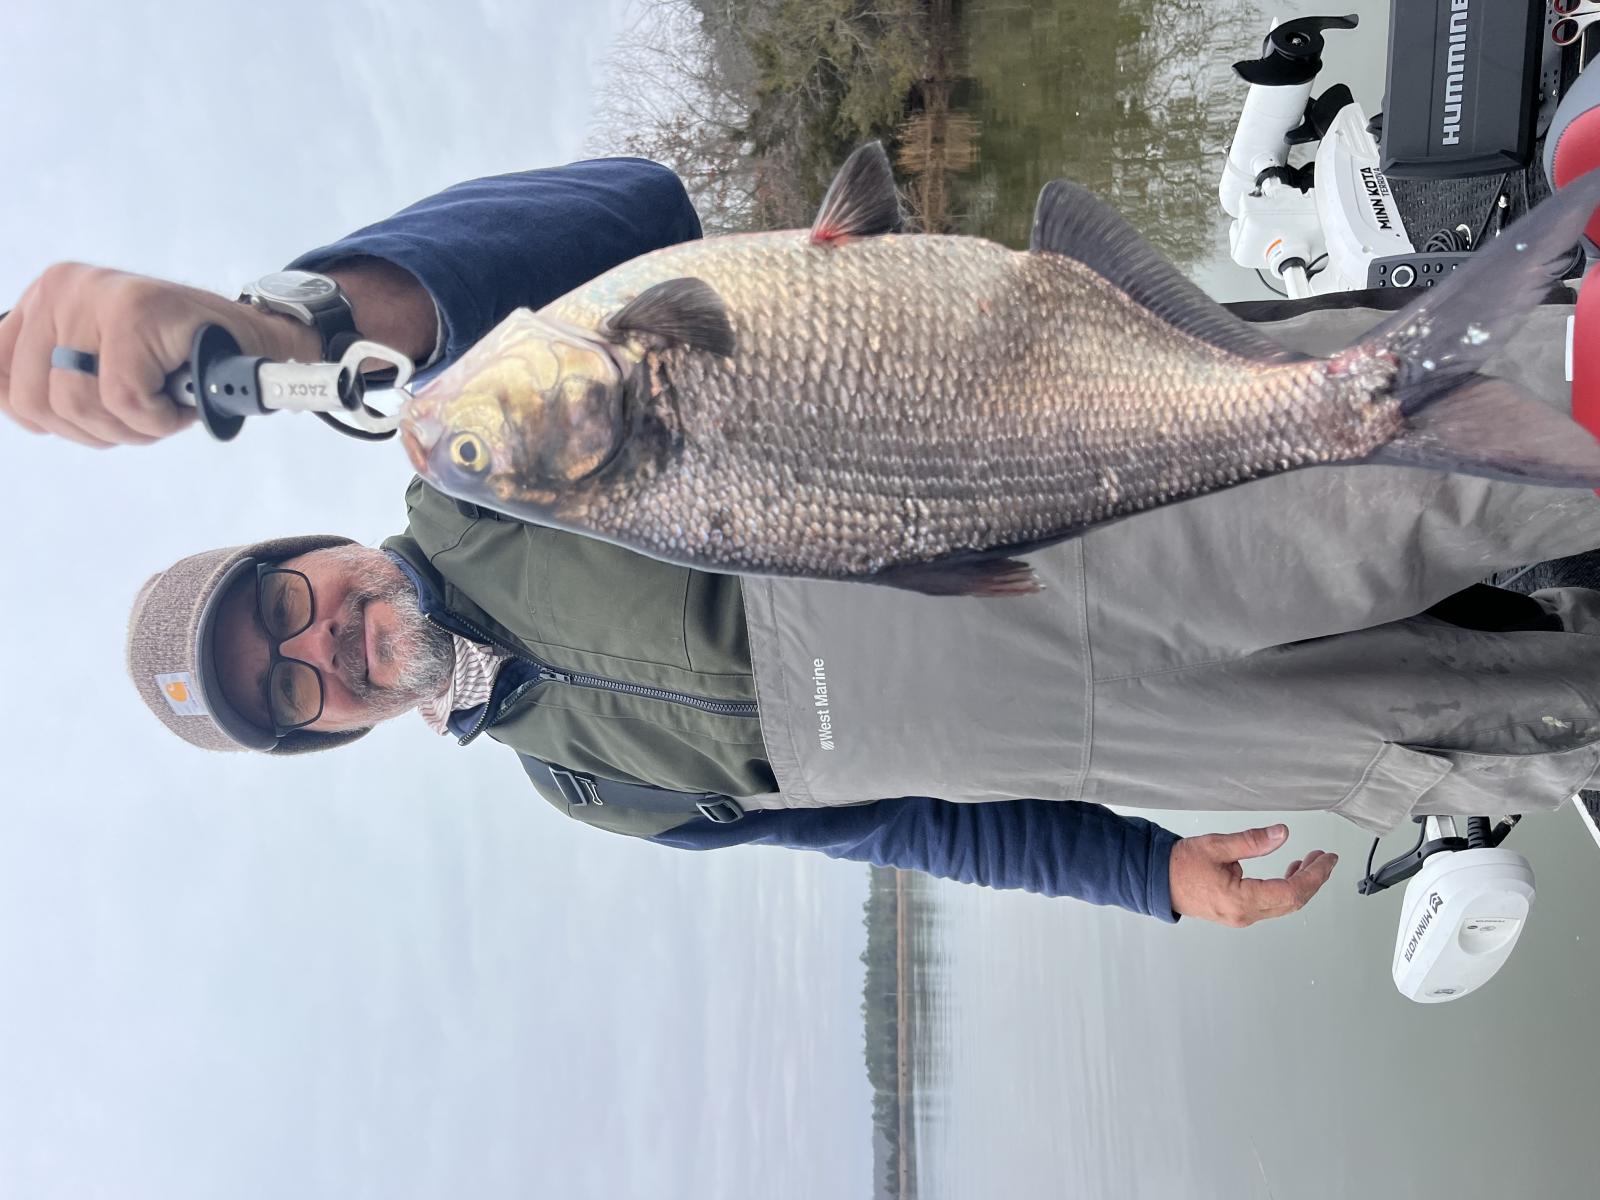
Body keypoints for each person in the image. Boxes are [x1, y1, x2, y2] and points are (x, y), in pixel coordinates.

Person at [7, 158, 1600, 931]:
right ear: (329, 732)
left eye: (282, 602)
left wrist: (298, 325)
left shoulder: (477, 458)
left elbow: (631, 210)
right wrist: (1150, 876)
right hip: (1147, 736)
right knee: (1502, 738)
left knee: (1483, 452)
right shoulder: (587, 791)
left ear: (306, 546)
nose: (320, 643)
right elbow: (904, 824)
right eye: (289, 687)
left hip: (1118, 494)